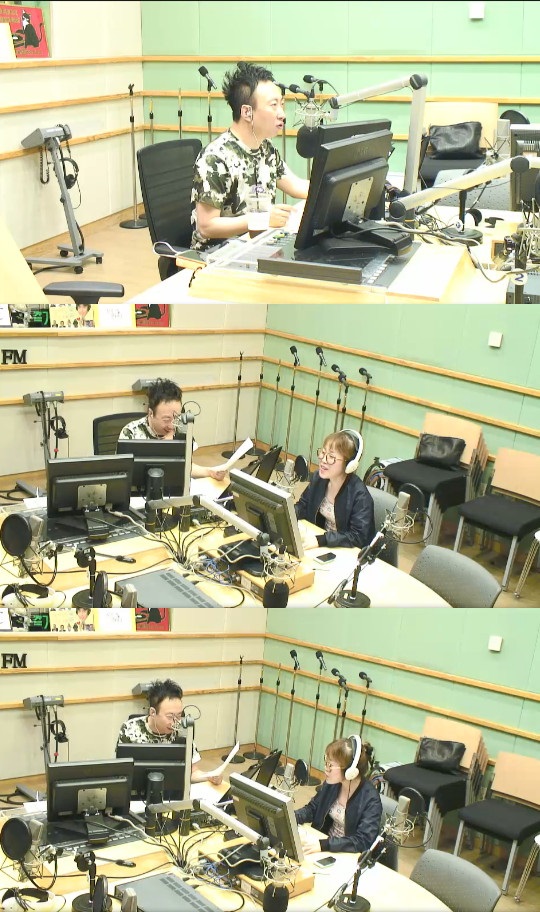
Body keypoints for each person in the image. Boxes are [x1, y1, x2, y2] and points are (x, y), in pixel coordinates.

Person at [191, 61, 310, 252]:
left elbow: (296, 186)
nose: (282, 114)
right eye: (273, 105)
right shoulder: (215, 158)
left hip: (259, 245)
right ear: (247, 112)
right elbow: (206, 226)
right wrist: (262, 219)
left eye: (282, 104)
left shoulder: (266, 148)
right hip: (218, 255)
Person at [117, 678, 221, 785]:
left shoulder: (183, 730)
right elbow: (122, 772)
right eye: (170, 716)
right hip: (137, 789)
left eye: (179, 715)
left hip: (174, 789)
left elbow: (192, 772)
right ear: (153, 712)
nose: (175, 722)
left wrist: (209, 776)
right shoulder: (129, 728)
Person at [118, 377, 226, 481]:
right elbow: (122, 473)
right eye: (166, 419)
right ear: (151, 413)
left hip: (173, 488)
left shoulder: (181, 431)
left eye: (176, 417)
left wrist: (210, 472)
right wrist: (164, 448)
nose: (172, 425)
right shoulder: (131, 432)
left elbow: (185, 467)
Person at [295, 735, 381, 854]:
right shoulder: (332, 784)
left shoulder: (371, 799)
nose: (326, 769)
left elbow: (362, 841)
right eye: (326, 762)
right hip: (324, 844)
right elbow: (313, 809)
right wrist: (292, 817)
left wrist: (324, 845)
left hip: (347, 853)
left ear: (350, 771)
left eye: (330, 765)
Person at [295, 430, 375, 550]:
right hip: (323, 542)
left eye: (331, 457)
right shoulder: (318, 478)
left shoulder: (360, 496)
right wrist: (286, 513)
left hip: (346, 550)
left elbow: (357, 537)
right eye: (323, 453)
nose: (323, 460)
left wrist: (322, 540)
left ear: (349, 464)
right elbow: (303, 506)